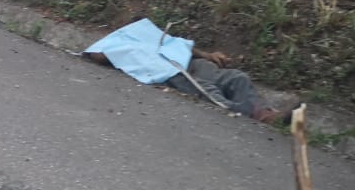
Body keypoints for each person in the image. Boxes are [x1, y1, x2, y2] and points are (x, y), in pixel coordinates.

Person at [84, 18, 294, 124]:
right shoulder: (115, 42)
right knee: (208, 91)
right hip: (171, 72)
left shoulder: (154, 34)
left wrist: (208, 55)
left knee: (237, 77)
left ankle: (266, 112)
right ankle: (256, 115)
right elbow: (96, 55)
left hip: (190, 62)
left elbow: (179, 44)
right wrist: (127, 49)